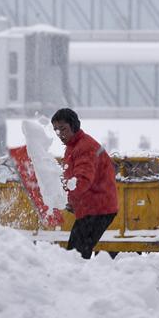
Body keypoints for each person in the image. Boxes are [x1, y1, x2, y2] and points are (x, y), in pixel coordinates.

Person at [51, 108, 118, 259]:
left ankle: (77, 281)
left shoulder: (84, 147)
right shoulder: (73, 145)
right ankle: (79, 279)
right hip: (92, 207)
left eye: (63, 129)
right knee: (76, 253)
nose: (60, 134)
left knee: (76, 254)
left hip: (98, 208)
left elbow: (82, 181)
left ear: (74, 126)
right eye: (56, 130)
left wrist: (61, 195)